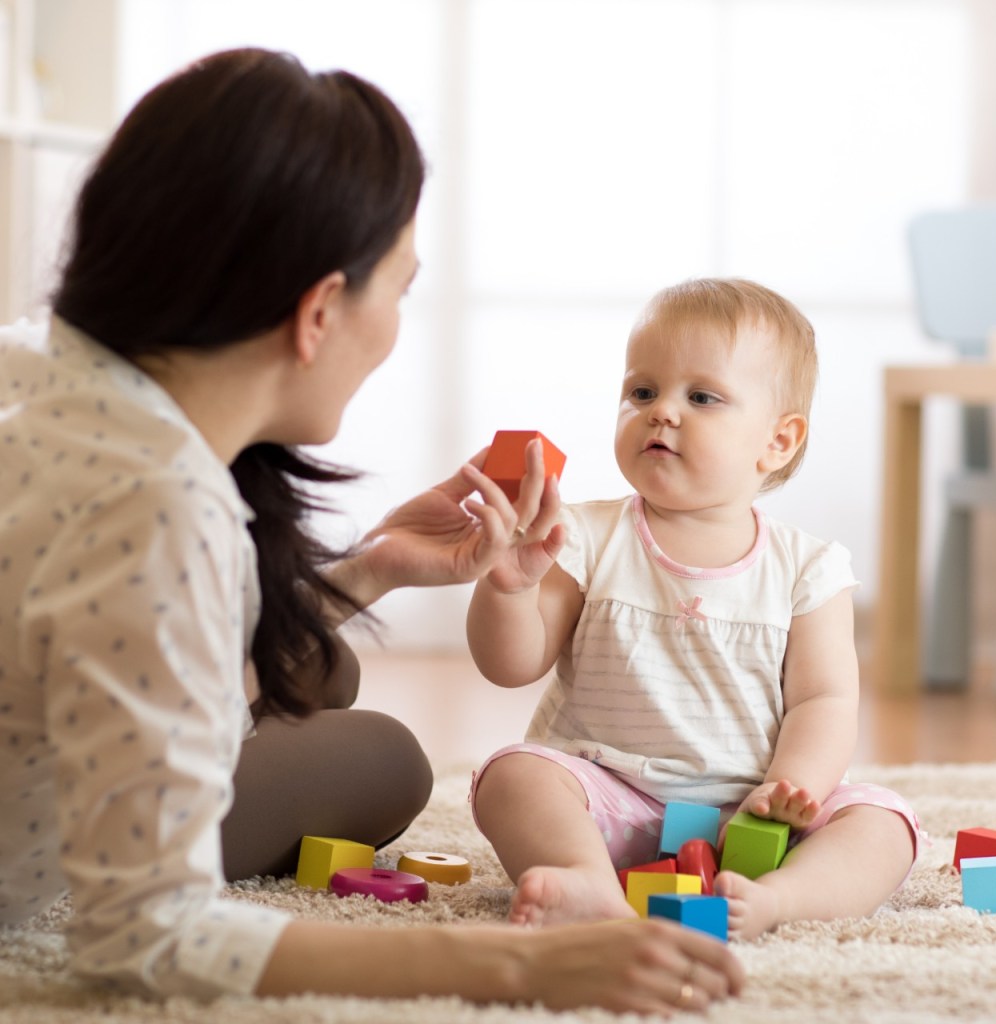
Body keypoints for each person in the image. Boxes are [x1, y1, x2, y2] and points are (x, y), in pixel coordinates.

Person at [0, 48, 744, 1014]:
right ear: (317, 312)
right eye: (397, 289)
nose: (396, 325)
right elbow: (142, 934)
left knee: (324, 667)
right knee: (377, 749)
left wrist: (380, 564)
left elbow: (119, 618)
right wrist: (518, 969)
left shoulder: (39, 365)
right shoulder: (159, 509)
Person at [467, 278, 927, 941]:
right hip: (612, 798)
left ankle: (778, 899)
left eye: (702, 397)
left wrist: (793, 786)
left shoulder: (808, 566)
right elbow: (511, 664)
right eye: (642, 392)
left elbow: (823, 701)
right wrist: (507, 588)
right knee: (513, 776)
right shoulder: (586, 535)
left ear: (778, 441)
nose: (662, 412)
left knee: (886, 825)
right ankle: (585, 877)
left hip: (753, 811)